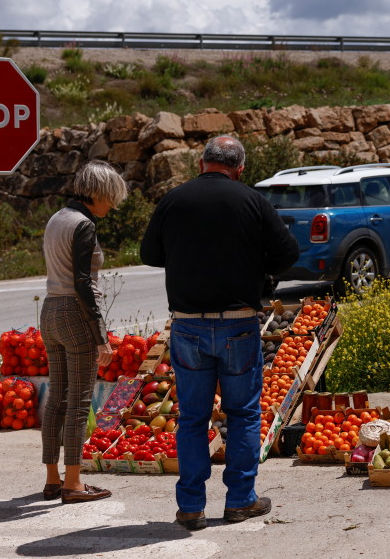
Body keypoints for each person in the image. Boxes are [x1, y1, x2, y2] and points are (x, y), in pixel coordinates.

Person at [140, 135, 299, 530]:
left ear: (201, 163)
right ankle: (240, 500)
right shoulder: (252, 201)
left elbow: (149, 254)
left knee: (193, 419)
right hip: (238, 325)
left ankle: (191, 506)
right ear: (239, 168)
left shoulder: (174, 200)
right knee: (243, 415)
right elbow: (288, 255)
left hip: (188, 324)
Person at [40, 160, 128, 504]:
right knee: (78, 402)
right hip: (74, 312)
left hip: (49, 310)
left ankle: (52, 478)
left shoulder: (56, 218)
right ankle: (74, 483)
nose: (113, 205)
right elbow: (83, 283)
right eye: (112, 197)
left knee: (57, 398)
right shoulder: (84, 225)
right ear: (100, 193)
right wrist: (100, 333)